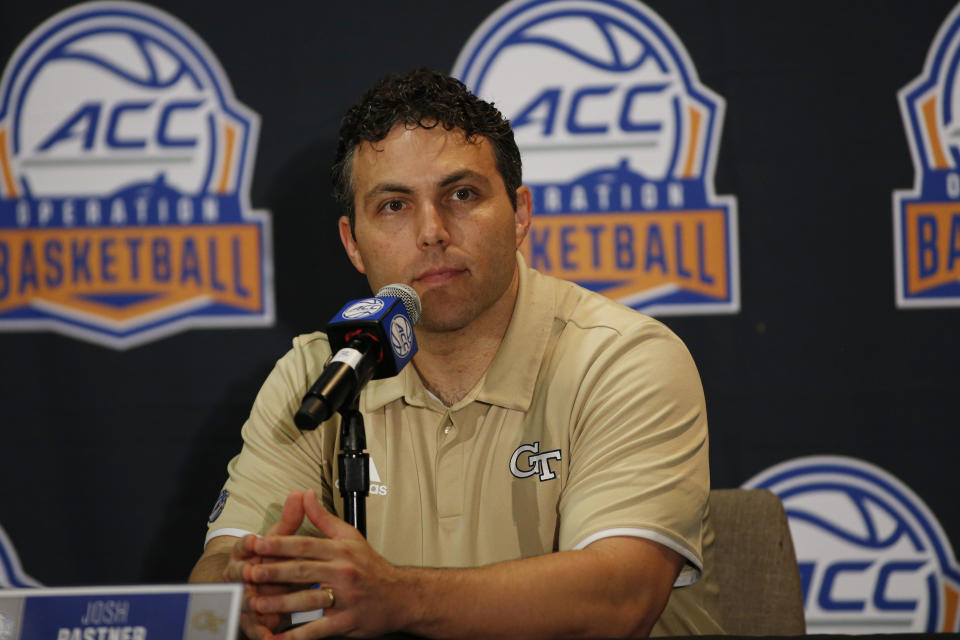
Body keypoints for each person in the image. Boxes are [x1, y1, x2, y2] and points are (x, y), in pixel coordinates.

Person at [189, 68, 722, 639]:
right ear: (352, 242)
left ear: (519, 214)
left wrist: (398, 596)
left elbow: (620, 598)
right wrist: (245, 590)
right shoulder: (321, 374)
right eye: (394, 205)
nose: (432, 231)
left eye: (461, 195)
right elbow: (212, 580)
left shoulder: (624, 360)